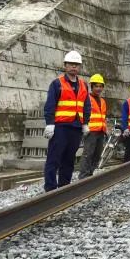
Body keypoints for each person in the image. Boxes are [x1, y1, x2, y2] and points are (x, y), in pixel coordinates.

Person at [43, 50, 91, 192]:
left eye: (76, 65)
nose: (74, 67)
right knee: (54, 158)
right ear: (65, 65)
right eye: (71, 64)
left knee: (69, 159)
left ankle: (64, 187)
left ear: (80, 67)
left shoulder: (83, 85)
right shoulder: (57, 84)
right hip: (60, 127)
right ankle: (50, 189)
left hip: (76, 128)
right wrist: (50, 123)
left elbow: (86, 106)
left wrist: (85, 123)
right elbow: (50, 105)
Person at [78, 73, 108, 178]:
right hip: (90, 131)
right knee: (88, 154)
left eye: (100, 86)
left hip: (100, 131)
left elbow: (102, 117)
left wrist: (106, 129)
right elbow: (82, 113)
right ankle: (83, 176)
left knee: (97, 154)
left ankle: (90, 174)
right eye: (96, 86)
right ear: (92, 87)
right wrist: (84, 126)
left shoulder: (103, 101)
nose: (98, 89)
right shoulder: (87, 99)